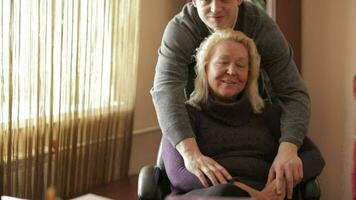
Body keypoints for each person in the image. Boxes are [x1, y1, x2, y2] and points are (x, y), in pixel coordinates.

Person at [151, 0, 311, 198]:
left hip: (250, 118)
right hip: (196, 132)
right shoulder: (181, 29)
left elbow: (293, 93)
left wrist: (288, 150)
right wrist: (191, 153)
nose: (216, 8)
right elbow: (165, 90)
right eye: (207, 0)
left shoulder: (261, 26)